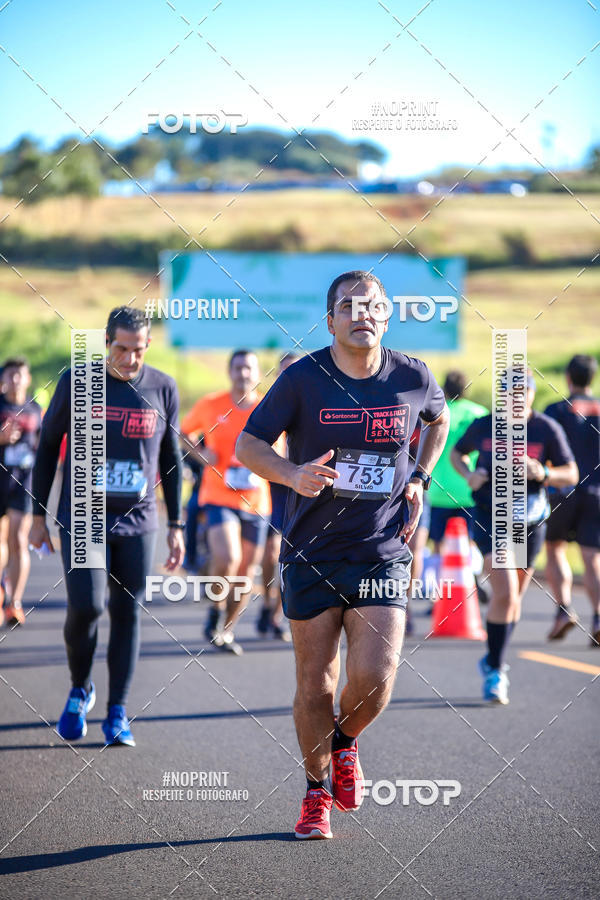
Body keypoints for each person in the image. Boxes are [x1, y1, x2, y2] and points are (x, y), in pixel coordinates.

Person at [236, 270, 449, 839]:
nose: (363, 315)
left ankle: (345, 742)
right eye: (349, 307)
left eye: (374, 306)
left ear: (387, 316)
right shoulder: (303, 379)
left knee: (377, 677)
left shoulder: (412, 376)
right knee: (316, 684)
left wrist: (422, 478)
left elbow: (439, 418)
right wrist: (291, 473)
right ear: (330, 319)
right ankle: (314, 793)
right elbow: (248, 444)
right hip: (311, 549)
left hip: (381, 546)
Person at [30, 307, 184, 746]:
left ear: (148, 345)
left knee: (126, 611)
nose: (129, 359)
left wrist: (177, 524)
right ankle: (80, 688)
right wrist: (39, 516)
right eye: (121, 348)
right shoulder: (77, 382)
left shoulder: (162, 387)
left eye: (138, 350)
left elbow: (171, 462)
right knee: (88, 607)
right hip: (83, 518)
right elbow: (46, 449)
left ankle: (117, 711)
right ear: (105, 341)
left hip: (139, 522)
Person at [451, 371, 578, 705]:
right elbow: (456, 453)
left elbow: (572, 472)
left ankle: (493, 659)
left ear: (533, 395)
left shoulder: (545, 429)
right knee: (505, 592)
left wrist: (545, 472)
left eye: (523, 393)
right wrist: (470, 474)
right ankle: (495, 670)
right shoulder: (484, 424)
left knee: (514, 599)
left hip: (530, 520)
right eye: (509, 393)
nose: (516, 400)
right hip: (490, 515)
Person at [180, 350, 270, 655]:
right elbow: (183, 432)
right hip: (218, 494)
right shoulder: (211, 404)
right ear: (229, 371)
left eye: (248, 368)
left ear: (257, 373)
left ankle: (226, 630)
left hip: (256, 501)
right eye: (237, 368)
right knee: (229, 558)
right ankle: (216, 610)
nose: (243, 373)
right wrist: (202, 454)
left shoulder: (268, 407)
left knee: (245, 573)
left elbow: (284, 448)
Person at [544, 355, 600, 646]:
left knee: (555, 549)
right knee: (592, 557)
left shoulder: (555, 410)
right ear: (592, 377)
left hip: (562, 492)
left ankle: (564, 610)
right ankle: (599, 616)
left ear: (568, 377)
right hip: (597, 494)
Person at [256, 352, 300, 642]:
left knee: (295, 556)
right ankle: (268, 605)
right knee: (273, 552)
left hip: (303, 490)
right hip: (273, 488)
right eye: (284, 373)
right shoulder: (268, 406)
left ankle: (277, 615)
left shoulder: (316, 403)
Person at [0, 358, 42, 627]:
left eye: (20, 375)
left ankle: (15, 602)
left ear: (27, 379)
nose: (16, 380)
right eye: (11, 375)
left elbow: (46, 447)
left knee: (18, 538)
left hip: (24, 484)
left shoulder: (37, 410)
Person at [428, 371, 488, 550]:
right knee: (470, 546)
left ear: (444, 389)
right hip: (469, 491)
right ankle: (470, 578)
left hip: (439, 492)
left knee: (439, 547)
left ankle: (442, 579)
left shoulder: (436, 413)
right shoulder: (480, 414)